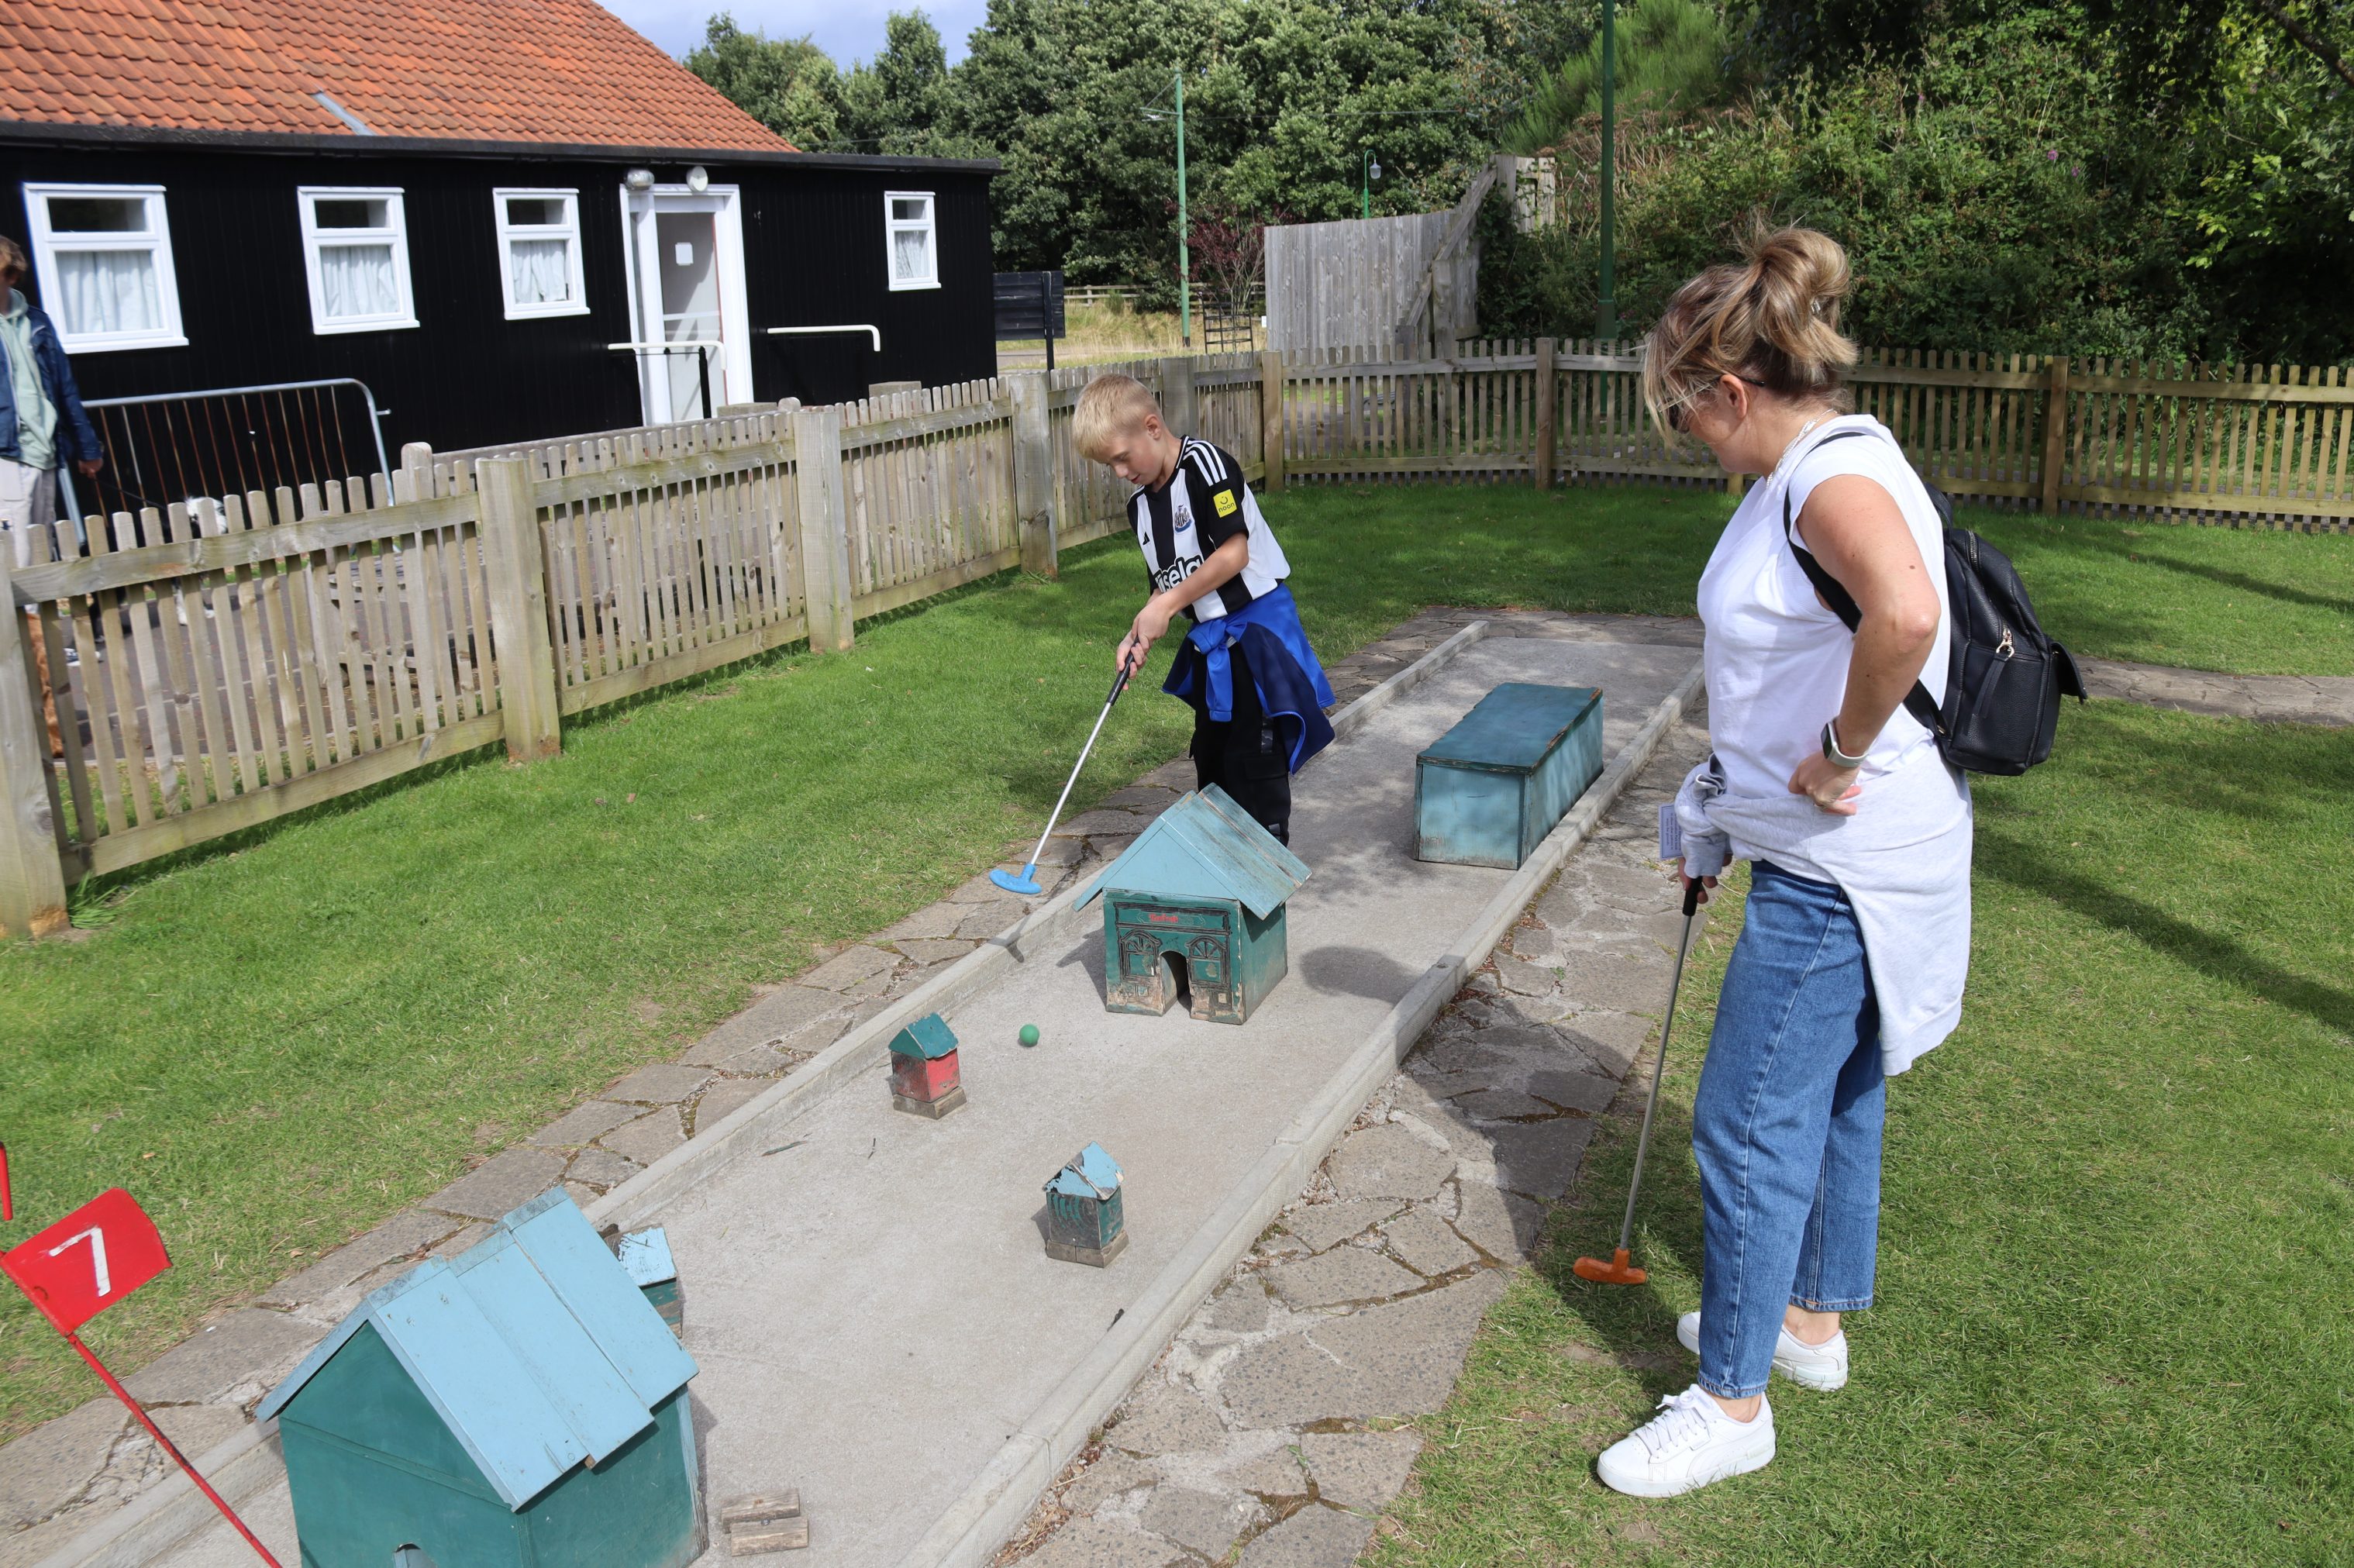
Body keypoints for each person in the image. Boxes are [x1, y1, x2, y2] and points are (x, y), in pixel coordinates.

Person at [1594, 226, 1972, 1497]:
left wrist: (1836, 748)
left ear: (1734, 393)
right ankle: (1806, 1323)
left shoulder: (1821, 480)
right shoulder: (1811, 468)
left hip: (1835, 866)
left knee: (1747, 1121)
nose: (1690, 438)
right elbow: (1779, 661)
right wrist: (1721, 797)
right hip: (1842, 847)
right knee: (1837, 1090)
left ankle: (1732, 1402)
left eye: (1686, 415)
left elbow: (1904, 613)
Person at [1071, 374, 1332, 845]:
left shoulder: (1206, 466)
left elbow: (1234, 554)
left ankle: (1266, 872)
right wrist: (1138, 630)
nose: (1119, 473)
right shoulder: (1141, 508)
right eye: (1108, 464)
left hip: (1259, 637)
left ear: (1153, 427)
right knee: (1212, 758)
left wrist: (1168, 605)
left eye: (1122, 458)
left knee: (1255, 757)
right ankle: (1224, 872)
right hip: (1213, 643)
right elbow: (1166, 583)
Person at [0, 235, 103, 753]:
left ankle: (43, 706)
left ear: (10, 277)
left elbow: (63, 387)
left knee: (35, 575)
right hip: (5, 459)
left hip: (43, 455)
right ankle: (27, 710)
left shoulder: (35, 321)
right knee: (16, 583)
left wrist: (85, 444)